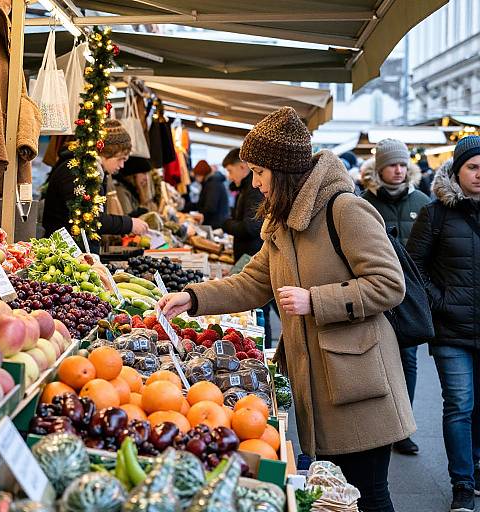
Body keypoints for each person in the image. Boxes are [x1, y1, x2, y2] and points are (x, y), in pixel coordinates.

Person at [160, 107, 415, 512]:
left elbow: (389, 284)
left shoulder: (345, 209)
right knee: (335, 495)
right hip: (317, 377)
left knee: (368, 493)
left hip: (358, 380)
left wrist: (316, 300)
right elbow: (253, 282)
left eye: (259, 172)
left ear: (282, 171)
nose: (255, 183)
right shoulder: (281, 221)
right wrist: (194, 298)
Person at [407, 135, 480, 512]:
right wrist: (441, 302)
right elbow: (413, 267)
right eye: (473, 167)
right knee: (459, 404)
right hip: (451, 329)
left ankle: (476, 467)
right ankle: (462, 484)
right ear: (457, 171)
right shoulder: (435, 215)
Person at [361, 139, 430, 456]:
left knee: (408, 360)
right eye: (392, 164)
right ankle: (377, 424)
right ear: (380, 169)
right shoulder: (364, 202)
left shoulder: (421, 200)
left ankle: (404, 428)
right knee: (374, 361)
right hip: (375, 293)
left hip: (410, 295)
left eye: (403, 164)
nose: (399, 170)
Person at [42, 120, 148, 250]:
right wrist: (129, 224)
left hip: (77, 254)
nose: (122, 166)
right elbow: (89, 219)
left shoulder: (95, 172)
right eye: (120, 159)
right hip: (64, 255)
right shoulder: (77, 171)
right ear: (107, 152)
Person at [221, 147, 278, 348]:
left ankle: (266, 346)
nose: (256, 181)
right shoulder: (249, 189)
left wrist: (225, 223)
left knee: (265, 310)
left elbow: (251, 226)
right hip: (251, 255)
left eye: (259, 172)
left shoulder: (253, 191)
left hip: (252, 253)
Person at [192, 160, 229, 229]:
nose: (196, 178)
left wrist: (201, 215)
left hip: (216, 224)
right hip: (215, 222)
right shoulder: (210, 183)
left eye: (197, 175)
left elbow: (210, 207)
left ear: (202, 174)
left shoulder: (213, 184)